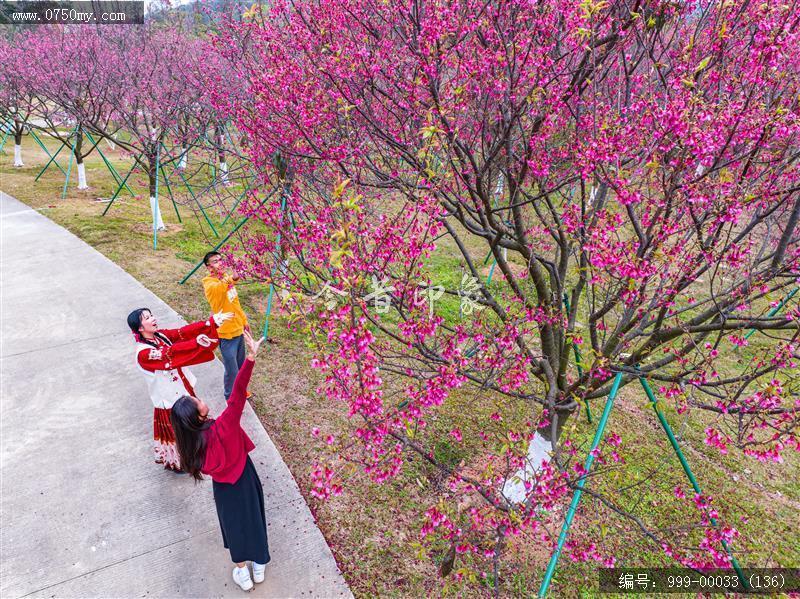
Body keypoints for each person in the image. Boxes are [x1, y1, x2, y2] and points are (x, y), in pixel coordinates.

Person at [170, 331, 270, 591]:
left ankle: (243, 574)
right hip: (244, 476)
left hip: (224, 487)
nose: (201, 399)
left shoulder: (191, 448)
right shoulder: (224, 425)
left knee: (233, 525)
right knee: (254, 517)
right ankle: (259, 566)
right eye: (198, 400)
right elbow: (237, 393)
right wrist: (250, 357)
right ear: (200, 414)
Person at [126, 308, 233, 472]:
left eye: (151, 315)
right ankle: (180, 463)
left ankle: (196, 453)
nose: (153, 318)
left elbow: (182, 333)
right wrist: (196, 343)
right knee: (177, 432)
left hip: (182, 390)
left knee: (191, 424)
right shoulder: (144, 354)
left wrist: (209, 323)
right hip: (169, 399)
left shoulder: (160, 336)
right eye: (147, 318)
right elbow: (170, 353)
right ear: (140, 328)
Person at [202, 251, 251, 400]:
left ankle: (241, 390)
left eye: (221, 260)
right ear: (209, 267)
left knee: (241, 365)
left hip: (237, 328)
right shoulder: (209, 284)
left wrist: (244, 321)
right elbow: (220, 288)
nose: (220, 263)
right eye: (216, 261)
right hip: (226, 333)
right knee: (232, 370)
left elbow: (235, 302)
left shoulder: (224, 278)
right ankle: (231, 396)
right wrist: (231, 277)